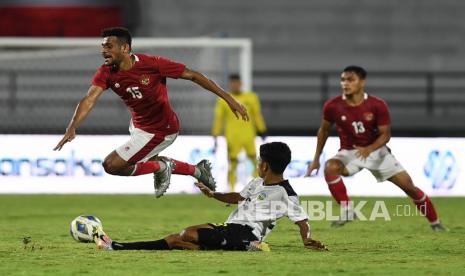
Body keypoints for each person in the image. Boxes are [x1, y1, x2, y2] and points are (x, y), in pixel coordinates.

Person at [53, 27, 249, 197]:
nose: (104, 51)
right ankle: (196, 170)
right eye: (103, 46)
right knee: (137, 161)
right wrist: (72, 127)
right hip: (138, 125)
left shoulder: (152, 64)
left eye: (109, 46)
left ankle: (165, 167)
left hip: (161, 130)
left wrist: (229, 98)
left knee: (111, 165)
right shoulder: (106, 72)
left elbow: (194, 75)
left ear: (125, 48)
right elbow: (89, 98)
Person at [94, 142, 327, 251]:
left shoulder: (286, 193)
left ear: (265, 165)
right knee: (179, 236)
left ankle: (116, 247)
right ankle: (116, 246)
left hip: (245, 234)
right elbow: (236, 197)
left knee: (182, 236)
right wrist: (213, 194)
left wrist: (307, 239)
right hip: (231, 228)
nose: (257, 164)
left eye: (258, 161)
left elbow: (302, 221)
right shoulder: (257, 183)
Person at [305, 65, 447, 231]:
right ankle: (347, 209)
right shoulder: (333, 106)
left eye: (350, 80)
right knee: (331, 167)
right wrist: (316, 159)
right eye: (343, 80)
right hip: (350, 152)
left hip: (378, 152)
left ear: (362, 82)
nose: (345, 83)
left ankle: (435, 222)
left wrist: (369, 149)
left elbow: (385, 135)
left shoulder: (376, 105)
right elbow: (324, 130)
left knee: (409, 187)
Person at [212, 74, 267, 192]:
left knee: (255, 161)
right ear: (230, 84)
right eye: (233, 83)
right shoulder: (224, 99)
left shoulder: (251, 97)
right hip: (232, 136)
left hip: (248, 135)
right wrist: (216, 133)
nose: (235, 85)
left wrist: (262, 129)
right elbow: (219, 118)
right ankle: (231, 189)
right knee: (232, 162)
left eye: (237, 83)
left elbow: (257, 115)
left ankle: (257, 188)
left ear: (240, 84)